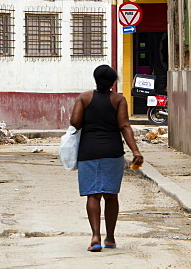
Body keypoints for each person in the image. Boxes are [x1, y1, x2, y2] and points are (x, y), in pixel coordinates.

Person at [69, 64, 143, 253]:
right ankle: (110, 238)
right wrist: (136, 151)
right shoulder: (118, 99)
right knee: (111, 195)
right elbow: (125, 126)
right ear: (113, 82)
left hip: (88, 151)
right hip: (112, 151)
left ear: (95, 79)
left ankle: (95, 238)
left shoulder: (84, 98)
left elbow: (75, 122)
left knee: (93, 194)